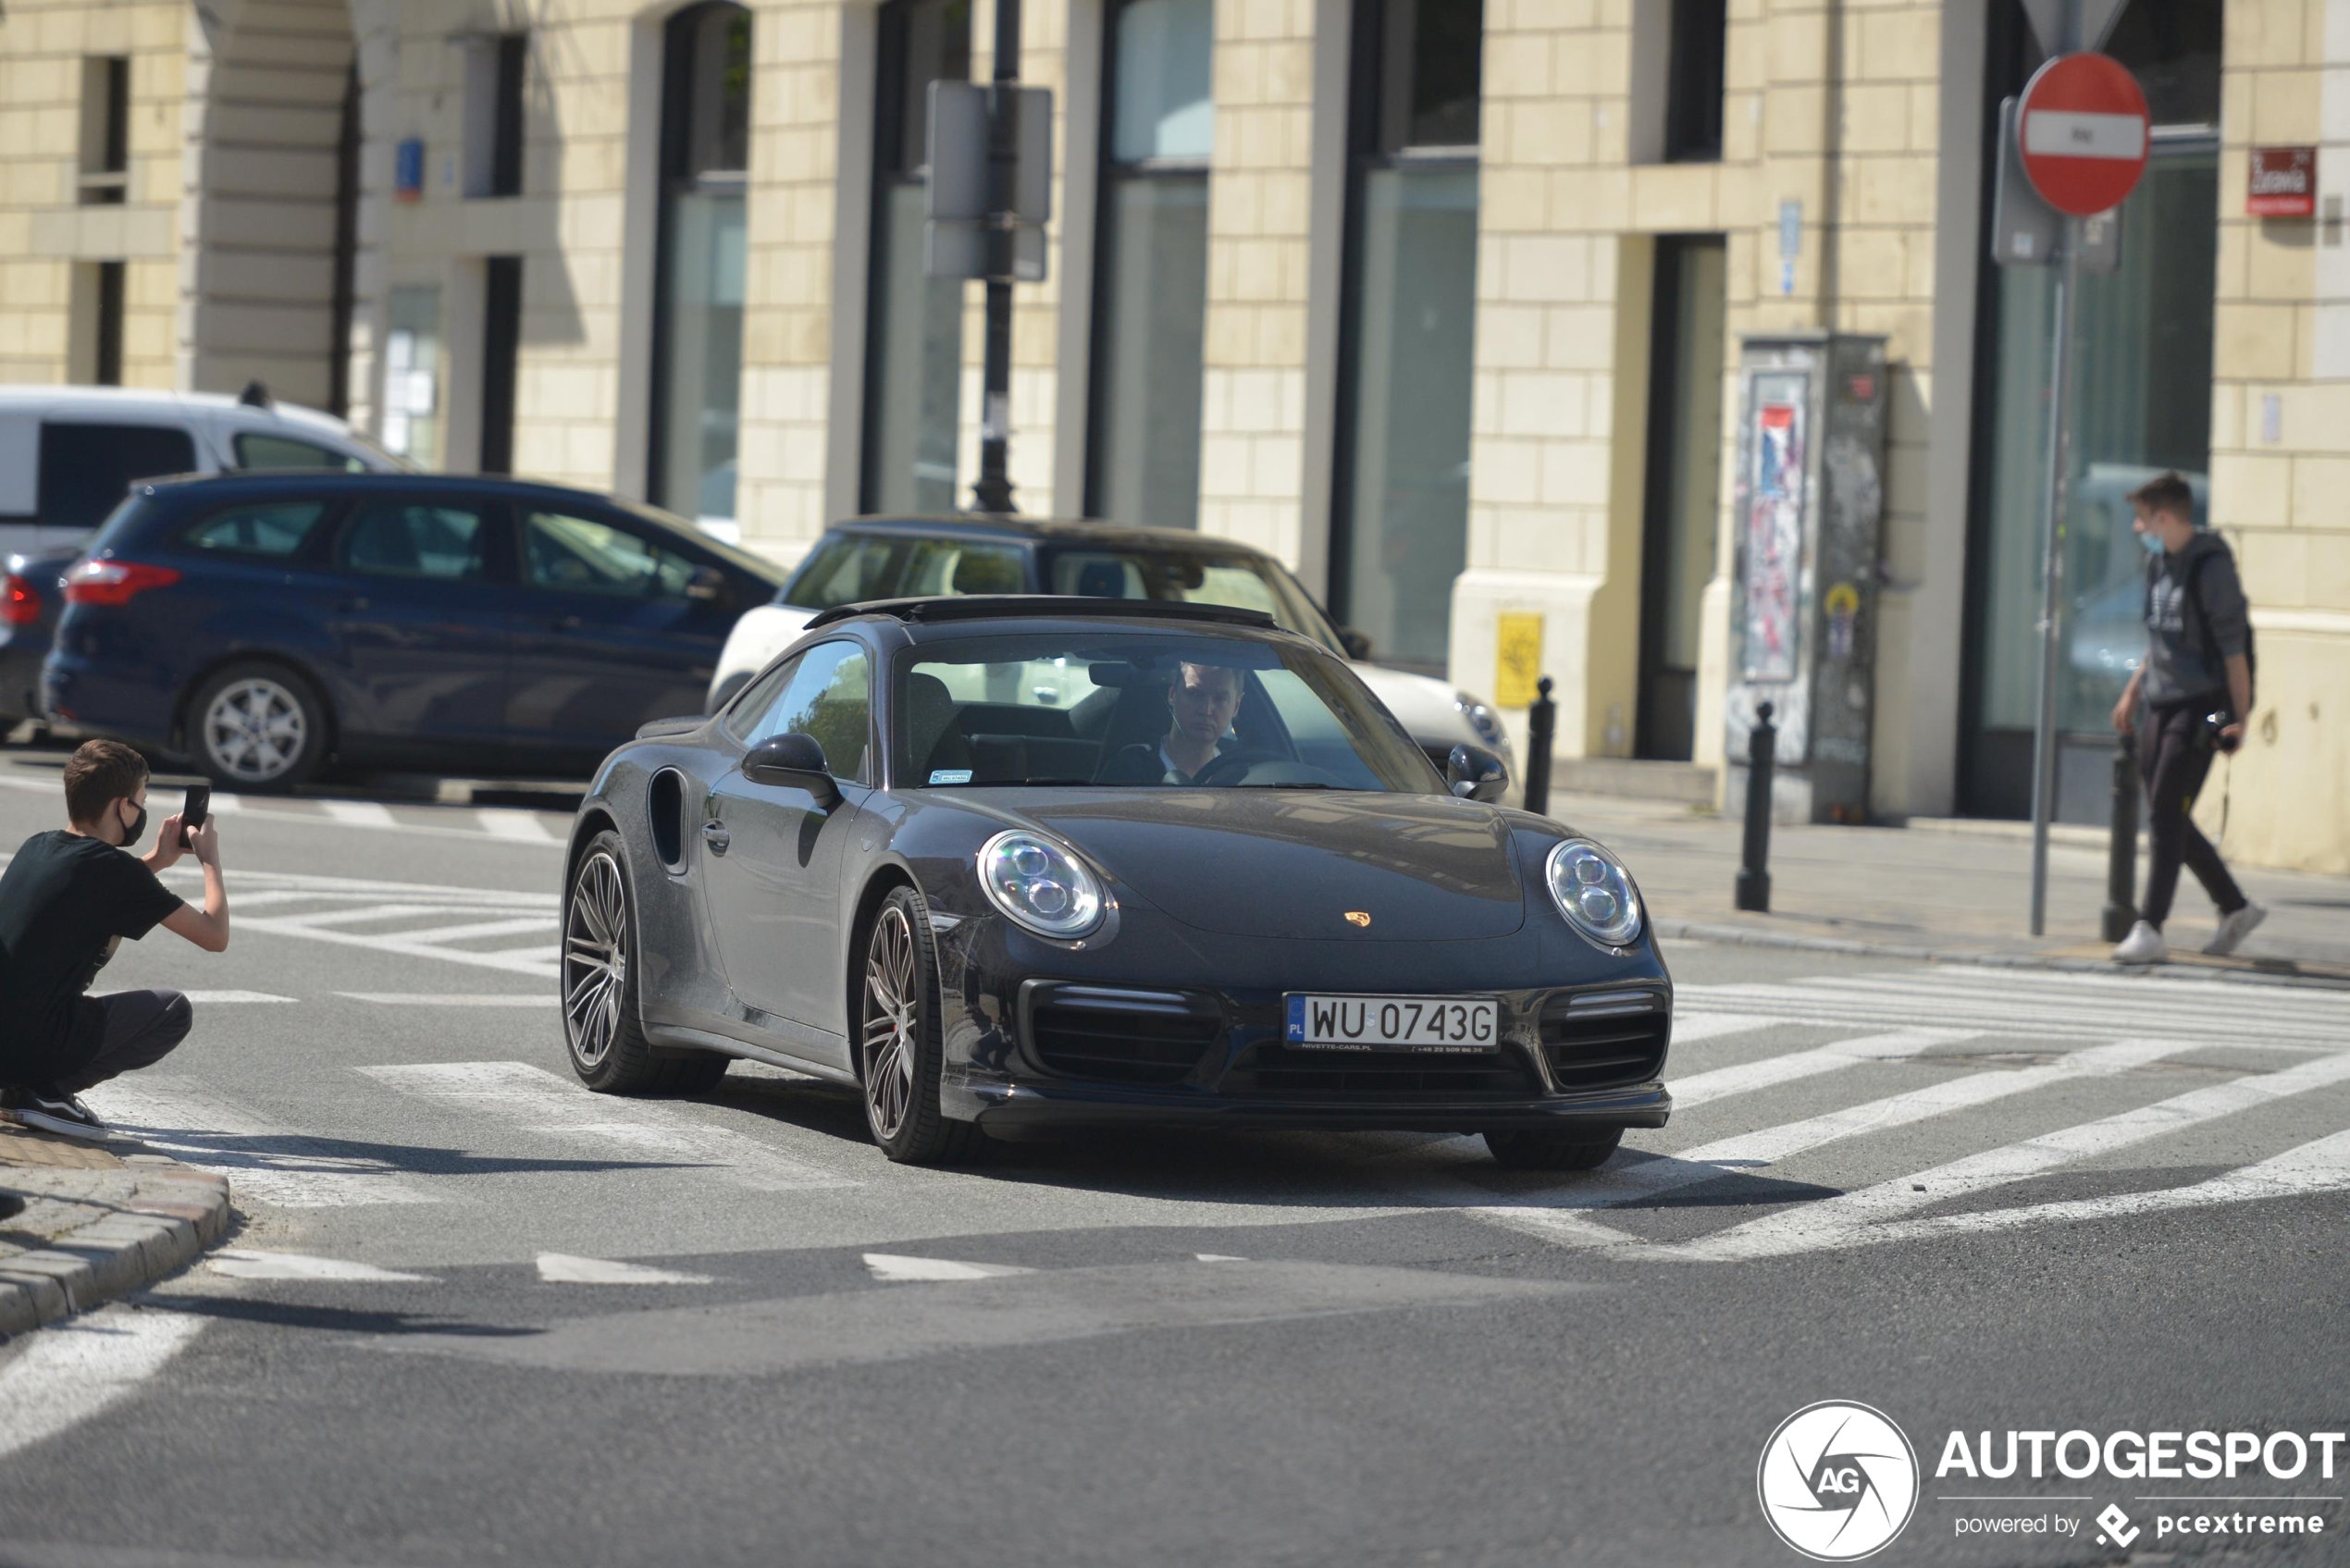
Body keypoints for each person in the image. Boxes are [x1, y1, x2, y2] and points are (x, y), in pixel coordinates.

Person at [0, 739, 230, 1140]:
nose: (141, 811)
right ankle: (47, 1092)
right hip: (33, 1045)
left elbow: (97, 890)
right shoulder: (115, 872)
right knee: (173, 1010)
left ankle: (21, 1084)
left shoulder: (38, 846)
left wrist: (158, 859)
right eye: (140, 801)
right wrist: (210, 859)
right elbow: (214, 935)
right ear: (122, 806)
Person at [2108, 472, 2264, 965]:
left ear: (2167, 517)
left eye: (2143, 519)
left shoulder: (2211, 568)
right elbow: (2160, 644)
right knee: (2165, 811)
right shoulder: (2159, 564)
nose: (2139, 528)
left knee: (2165, 812)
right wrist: (2133, 692)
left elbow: (2234, 652)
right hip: (2164, 699)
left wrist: (2237, 718)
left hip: (2211, 704)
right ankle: (2235, 906)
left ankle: (2150, 927)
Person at [1098, 661, 1245, 784]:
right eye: (1194, 694)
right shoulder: (1130, 768)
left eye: (1220, 699)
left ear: (1236, 707)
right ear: (1172, 695)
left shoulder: (1242, 771)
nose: (1206, 710)